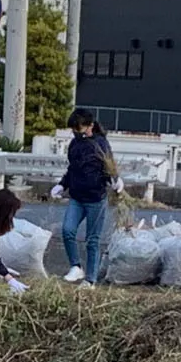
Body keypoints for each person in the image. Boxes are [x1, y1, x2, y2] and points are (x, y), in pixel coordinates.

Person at [51, 109, 119, 284]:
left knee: (92, 240)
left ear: (90, 126)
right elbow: (72, 169)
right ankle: (76, 267)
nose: (76, 132)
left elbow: (109, 168)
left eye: (78, 128)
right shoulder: (74, 144)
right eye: (73, 129)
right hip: (77, 197)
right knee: (67, 230)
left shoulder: (100, 144)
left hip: (96, 199)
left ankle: (90, 280)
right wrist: (62, 184)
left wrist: (115, 180)